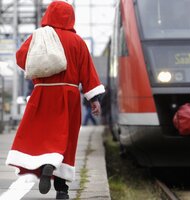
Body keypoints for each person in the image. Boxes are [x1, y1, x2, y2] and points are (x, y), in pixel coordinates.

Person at [5, 1, 105, 199]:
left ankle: (44, 165)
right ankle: (62, 190)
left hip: (42, 94)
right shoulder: (77, 42)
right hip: (68, 96)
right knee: (66, 140)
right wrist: (94, 99)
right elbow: (88, 73)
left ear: (48, 15)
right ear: (70, 17)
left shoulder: (38, 36)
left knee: (40, 135)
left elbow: (21, 58)